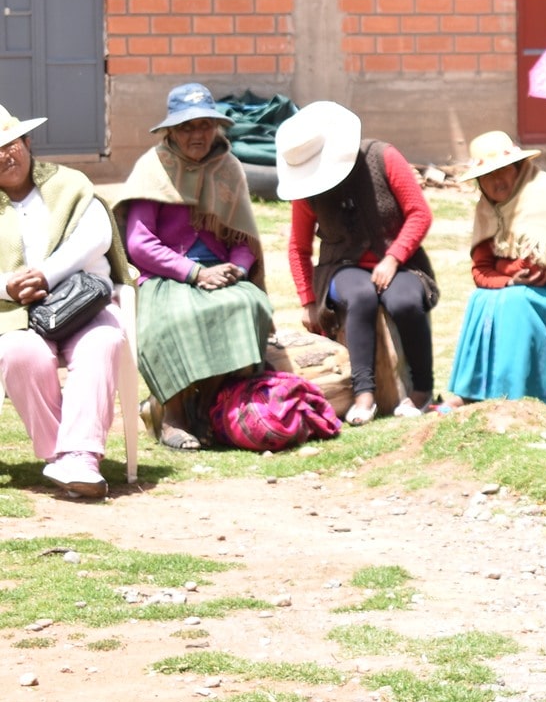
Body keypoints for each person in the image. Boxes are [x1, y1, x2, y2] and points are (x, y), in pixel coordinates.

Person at [104, 83, 272, 450]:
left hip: (220, 270)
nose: (197, 134)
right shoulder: (153, 168)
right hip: (167, 274)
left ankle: (204, 405)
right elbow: (138, 243)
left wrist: (237, 271)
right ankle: (173, 416)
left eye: (205, 125)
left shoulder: (229, 167)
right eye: (186, 127)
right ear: (171, 131)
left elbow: (245, 238)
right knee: (176, 317)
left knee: (248, 305)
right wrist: (194, 273)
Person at [279, 101, 439, 426]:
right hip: (340, 266)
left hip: (402, 262)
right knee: (362, 297)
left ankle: (421, 390)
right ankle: (363, 393)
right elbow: (298, 248)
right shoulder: (307, 190)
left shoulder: (383, 157)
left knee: (405, 300)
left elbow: (419, 213)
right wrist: (308, 302)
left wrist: (394, 257)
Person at [0, 107, 132, 500]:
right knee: (19, 353)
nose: (5, 155)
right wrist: (8, 286)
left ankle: (80, 457)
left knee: (103, 342)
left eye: (10, 144)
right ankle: (65, 455)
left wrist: (45, 275)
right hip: (15, 313)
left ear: (26, 143)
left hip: (81, 302)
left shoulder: (68, 183)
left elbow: (96, 236)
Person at [445, 132, 546, 408]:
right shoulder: (487, 208)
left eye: (503, 171)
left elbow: (537, 267)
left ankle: (516, 389)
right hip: (514, 289)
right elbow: (480, 270)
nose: (496, 181)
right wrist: (506, 279)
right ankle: (473, 390)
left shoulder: (542, 195)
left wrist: (502, 269)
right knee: (481, 298)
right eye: (487, 175)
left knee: (515, 301)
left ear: (518, 169)